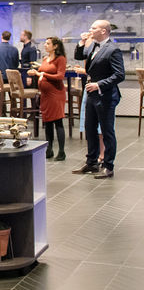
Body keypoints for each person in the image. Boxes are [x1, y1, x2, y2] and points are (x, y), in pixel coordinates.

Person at [72, 20, 124, 178]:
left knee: (107, 131)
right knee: (90, 128)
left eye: (94, 28)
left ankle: (108, 165)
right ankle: (91, 162)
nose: (90, 30)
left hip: (105, 96)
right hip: (92, 95)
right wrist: (81, 43)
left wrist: (99, 84)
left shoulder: (113, 49)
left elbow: (119, 74)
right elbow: (79, 55)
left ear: (103, 31)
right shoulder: (93, 45)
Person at [28, 37, 67, 161]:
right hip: (45, 95)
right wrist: (34, 73)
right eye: (45, 43)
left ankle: (61, 151)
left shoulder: (60, 59)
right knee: (48, 122)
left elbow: (60, 76)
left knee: (58, 121)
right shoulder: (45, 59)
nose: (45, 45)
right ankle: (49, 149)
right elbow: (41, 71)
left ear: (55, 46)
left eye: (48, 43)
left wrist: (42, 74)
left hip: (56, 94)